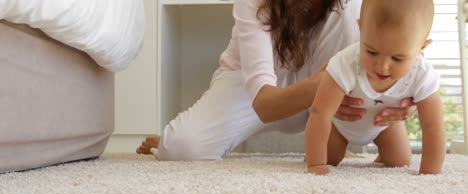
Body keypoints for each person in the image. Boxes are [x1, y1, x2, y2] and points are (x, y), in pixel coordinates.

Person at [136, 0, 416, 161]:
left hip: (327, 86)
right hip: (254, 88)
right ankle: (166, 140)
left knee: (397, 158)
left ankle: (340, 145)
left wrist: (404, 94)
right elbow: (265, 104)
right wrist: (328, 84)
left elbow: (395, 44)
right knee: (182, 148)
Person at [305, 0, 446, 175]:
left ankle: (383, 154)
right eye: (371, 52)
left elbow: (433, 126)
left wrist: (429, 172)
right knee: (329, 159)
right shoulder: (345, 64)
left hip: (384, 126)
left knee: (400, 160)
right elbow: (320, 113)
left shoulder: (423, 74)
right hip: (340, 126)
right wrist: (316, 164)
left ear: (421, 48)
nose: (382, 66)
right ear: (361, 29)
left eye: (397, 58)